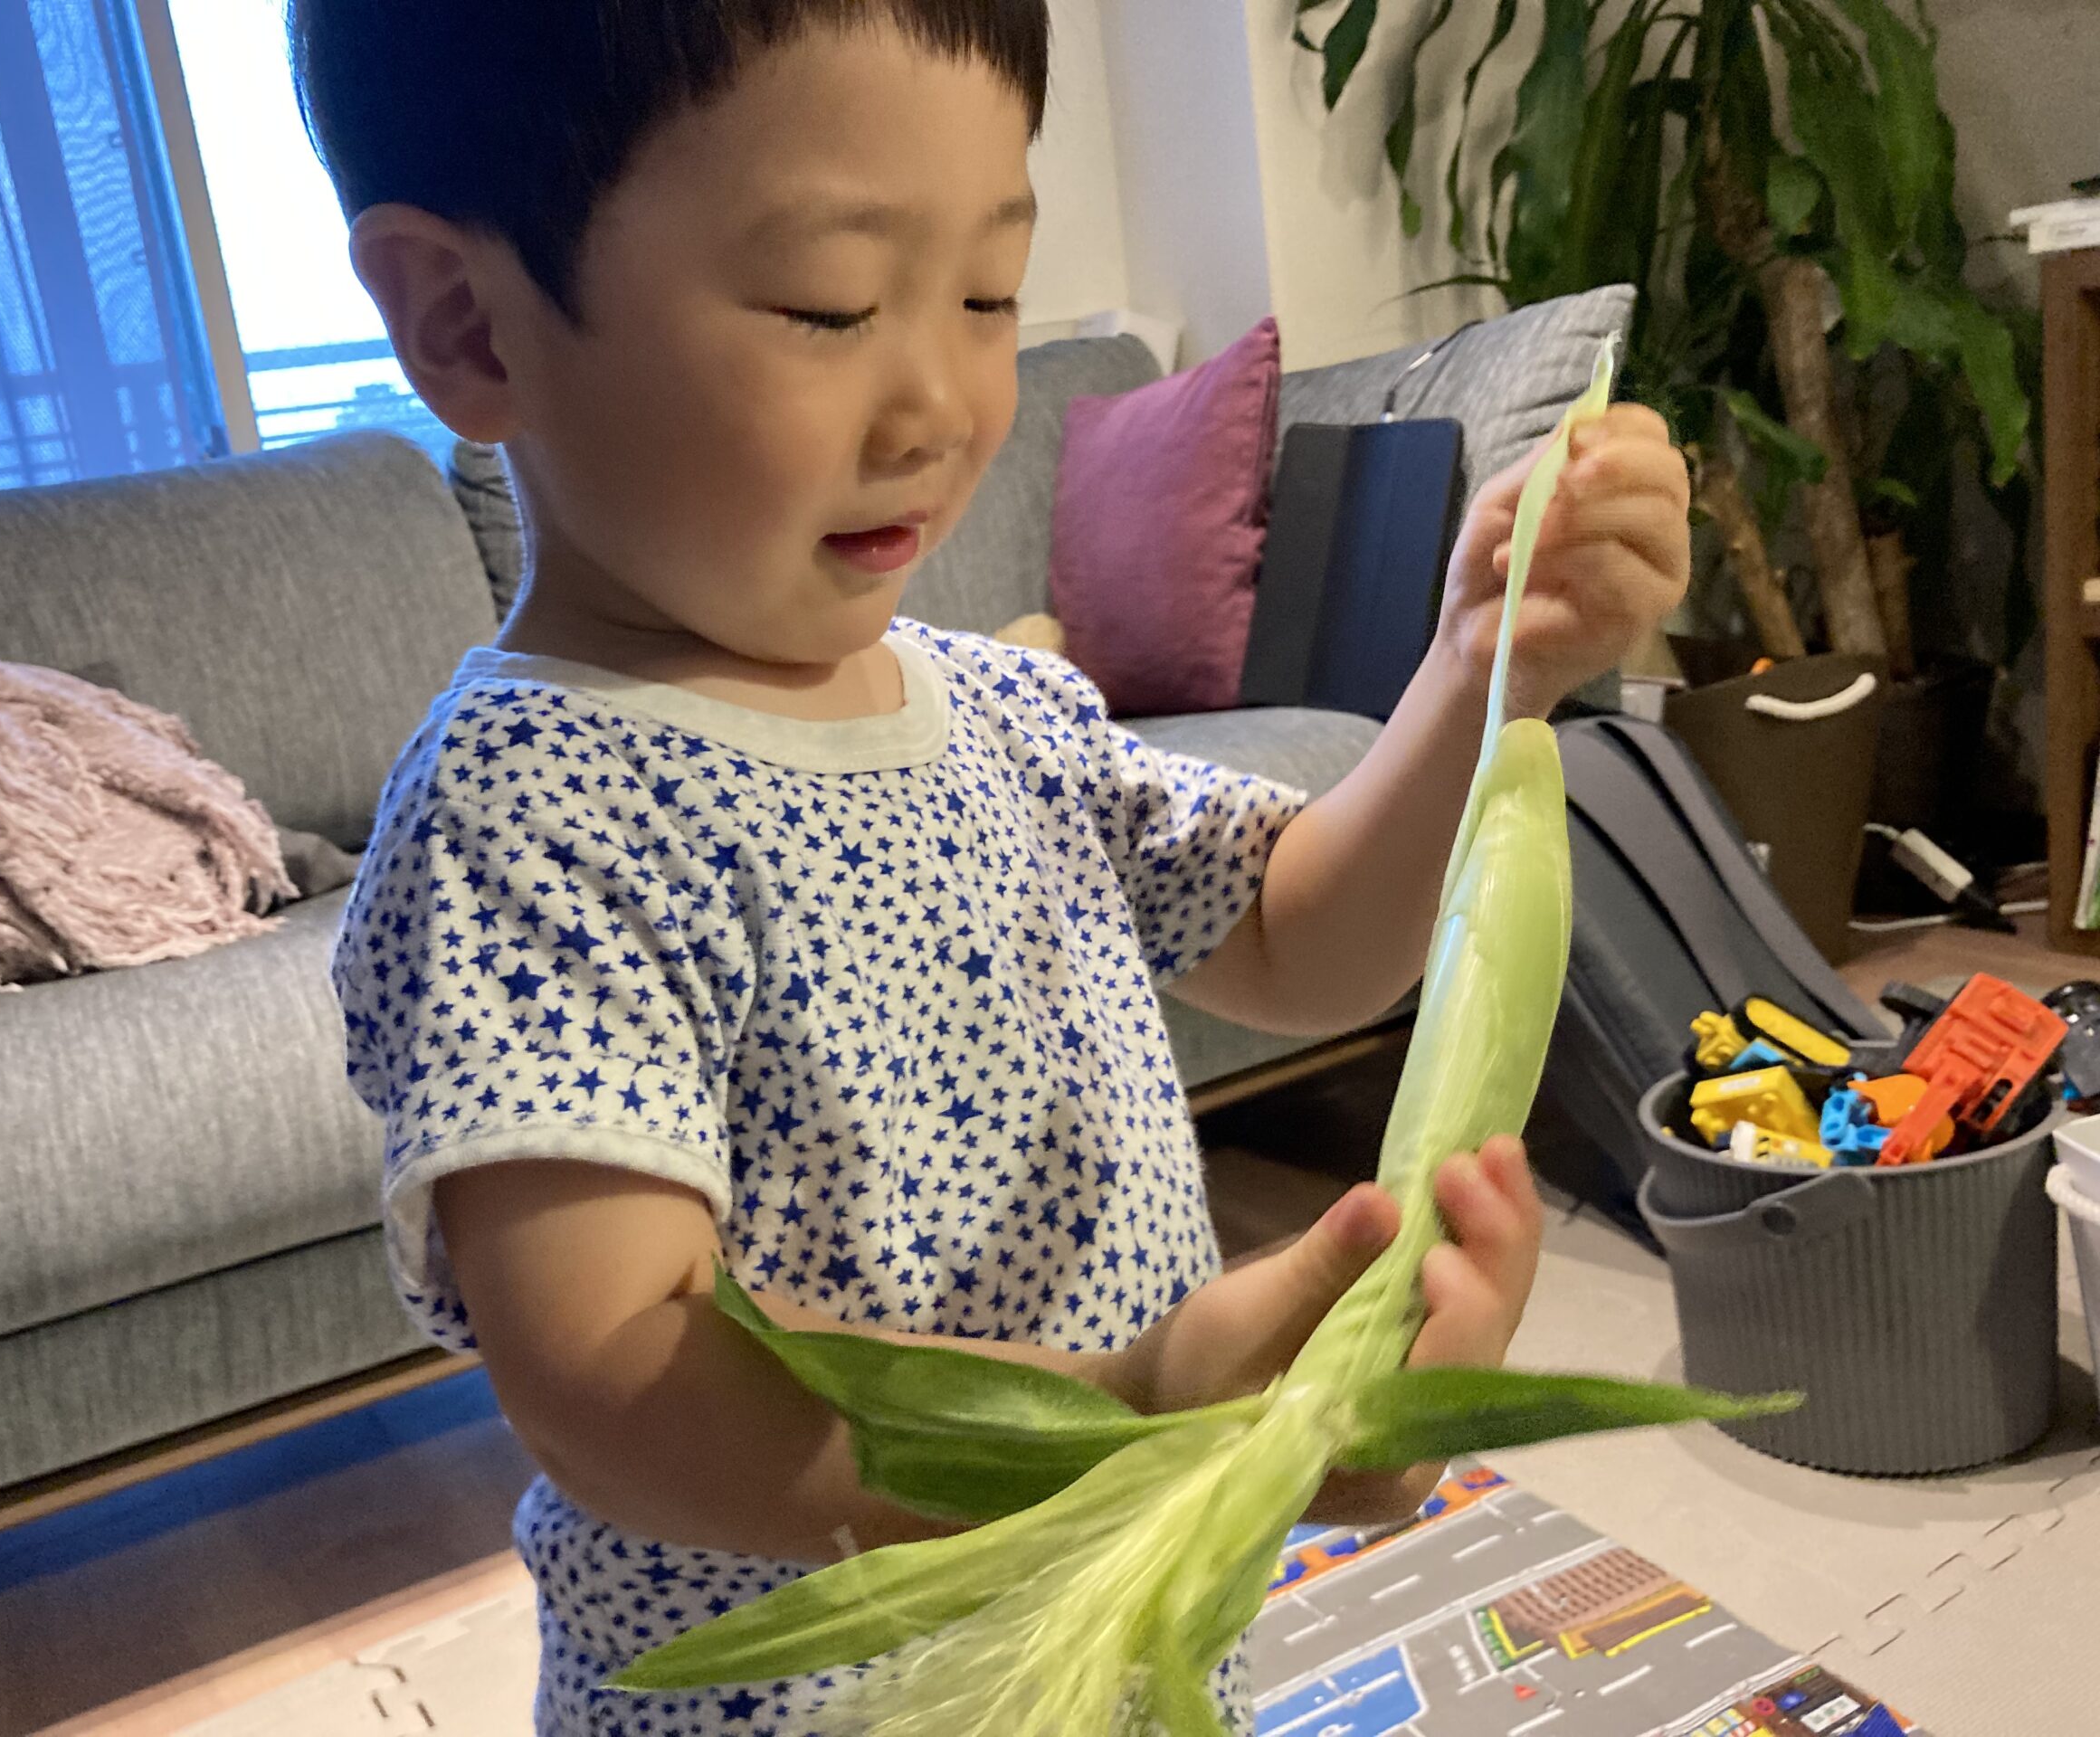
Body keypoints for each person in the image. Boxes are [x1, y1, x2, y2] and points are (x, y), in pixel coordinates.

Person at [304, 3, 1691, 1731]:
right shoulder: (534, 810)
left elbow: (1300, 938)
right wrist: (1138, 1404)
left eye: (987, 296)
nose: (944, 406)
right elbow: (619, 1377)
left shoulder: (1007, 713)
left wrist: (1483, 664)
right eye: (830, 305)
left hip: (1109, 1640)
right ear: (466, 322)